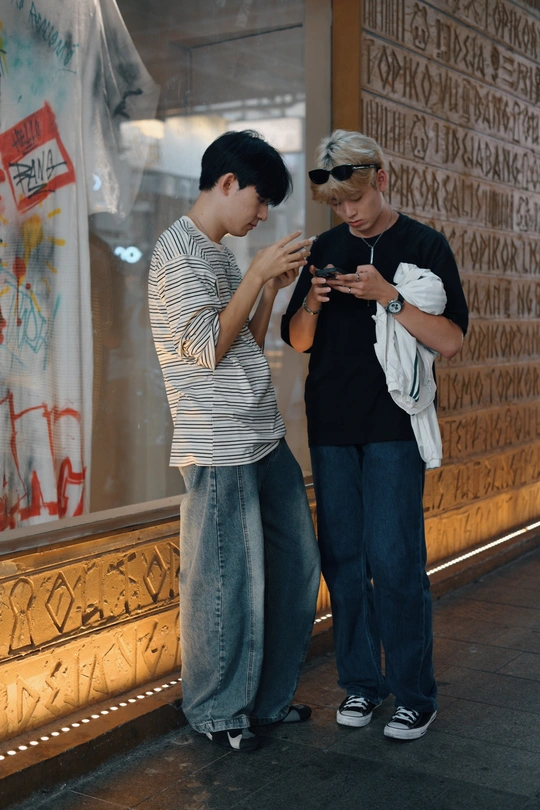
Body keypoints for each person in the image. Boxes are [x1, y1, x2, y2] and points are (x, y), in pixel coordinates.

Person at [281, 130, 468, 741]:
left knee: (394, 560)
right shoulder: (326, 248)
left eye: (355, 199)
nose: (349, 213)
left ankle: (414, 694)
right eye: (337, 204)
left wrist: (389, 297)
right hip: (331, 425)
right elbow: (299, 340)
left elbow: (450, 340)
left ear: (381, 180)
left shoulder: (423, 244)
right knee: (344, 561)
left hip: (393, 425)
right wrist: (312, 299)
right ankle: (361, 684)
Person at [148, 130, 321, 753]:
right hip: (218, 443)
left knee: (296, 564)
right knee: (223, 582)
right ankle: (218, 710)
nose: (263, 213)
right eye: (260, 198)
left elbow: (240, 340)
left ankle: (266, 701)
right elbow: (204, 348)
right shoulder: (177, 252)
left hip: (260, 432)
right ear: (227, 184)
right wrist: (256, 273)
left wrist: (268, 289)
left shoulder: (218, 254)